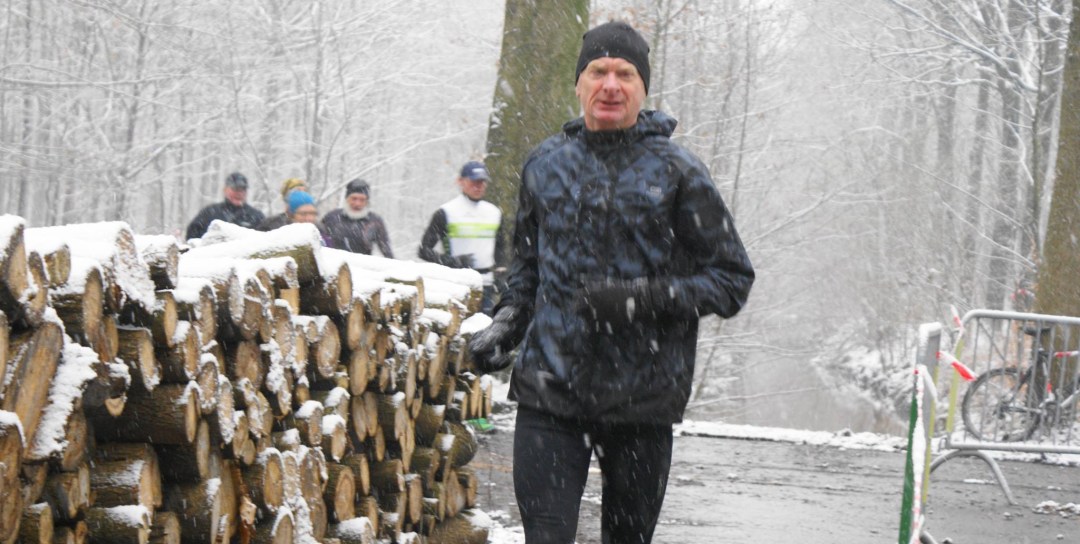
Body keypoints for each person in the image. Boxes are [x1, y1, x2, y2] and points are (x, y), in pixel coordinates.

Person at [467, 21, 754, 544]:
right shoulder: (544, 165)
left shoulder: (680, 173)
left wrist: (639, 300)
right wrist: (505, 325)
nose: (611, 84)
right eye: (598, 71)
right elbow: (526, 272)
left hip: (642, 401)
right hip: (550, 392)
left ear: (643, 89)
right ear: (580, 82)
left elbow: (732, 280)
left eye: (625, 74)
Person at [419, 160, 505, 314]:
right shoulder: (446, 212)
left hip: (485, 285)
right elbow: (424, 249)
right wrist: (452, 261)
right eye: (473, 181)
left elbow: (500, 248)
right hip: (457, 284)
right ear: (461, 181)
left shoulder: (494, 213)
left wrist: (501, 273)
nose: (478, 186)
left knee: (484, 332)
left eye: (482, 182)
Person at [321, 179, 394, 257]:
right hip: (334, 265)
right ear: (347, 199)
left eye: (362, 200)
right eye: (354, 199)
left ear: (367, 202)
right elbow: (319, 242)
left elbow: (386, 251)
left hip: (361, 267)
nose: (357, 203)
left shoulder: (375, 222)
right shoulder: (332, 218)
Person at [185, 172, 265, 240]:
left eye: (243, 189)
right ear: (225, 189)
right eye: (235, 189)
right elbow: (192, 238)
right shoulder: (209, 213)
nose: (239, 193)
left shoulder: (256, 217)